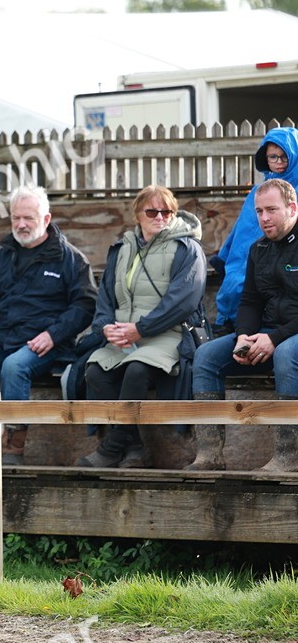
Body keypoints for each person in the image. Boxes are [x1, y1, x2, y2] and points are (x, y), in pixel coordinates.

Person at [0, 185, 98, 465]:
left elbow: (85, 305)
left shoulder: (71, 259)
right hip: (2, 339)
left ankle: (11, 449)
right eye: (16, 217)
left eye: (28, 218)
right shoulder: (1, 257)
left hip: (47, 343)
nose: (21, 224)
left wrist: (53, 335)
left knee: (15, 366)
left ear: (46, 219)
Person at [76, 185, 207, 469]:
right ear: (137, 214)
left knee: (136, 370)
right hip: (124, 336)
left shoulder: (188, 249)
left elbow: (182, 302)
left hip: (166, 335)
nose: (160, 217)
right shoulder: (121, 249)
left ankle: (111, 449)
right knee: (95, 371)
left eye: (167, 211)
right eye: (151, 211)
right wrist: (105, 329)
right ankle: (134, 447)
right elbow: (105, 299)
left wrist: (141, 329)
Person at [187, 178, 298, 472]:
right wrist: (244, 337)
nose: (264, 218)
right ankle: (209, 455)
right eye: (259, 211)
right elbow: (249, 301)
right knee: (206, 356)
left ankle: (289, 456)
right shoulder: (258, 249)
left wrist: (274, 338)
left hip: (288, 340)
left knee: (287, 353)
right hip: (269, 336)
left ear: (292, 208)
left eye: (271, 210)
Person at [211, 127, 298, 332]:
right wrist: (224, 256)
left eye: (283, 157)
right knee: (233, 291)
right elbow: (241, 228)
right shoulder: (258, 191)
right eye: (272, 157)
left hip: (280, 272)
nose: (277, 162)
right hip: (245, 259)